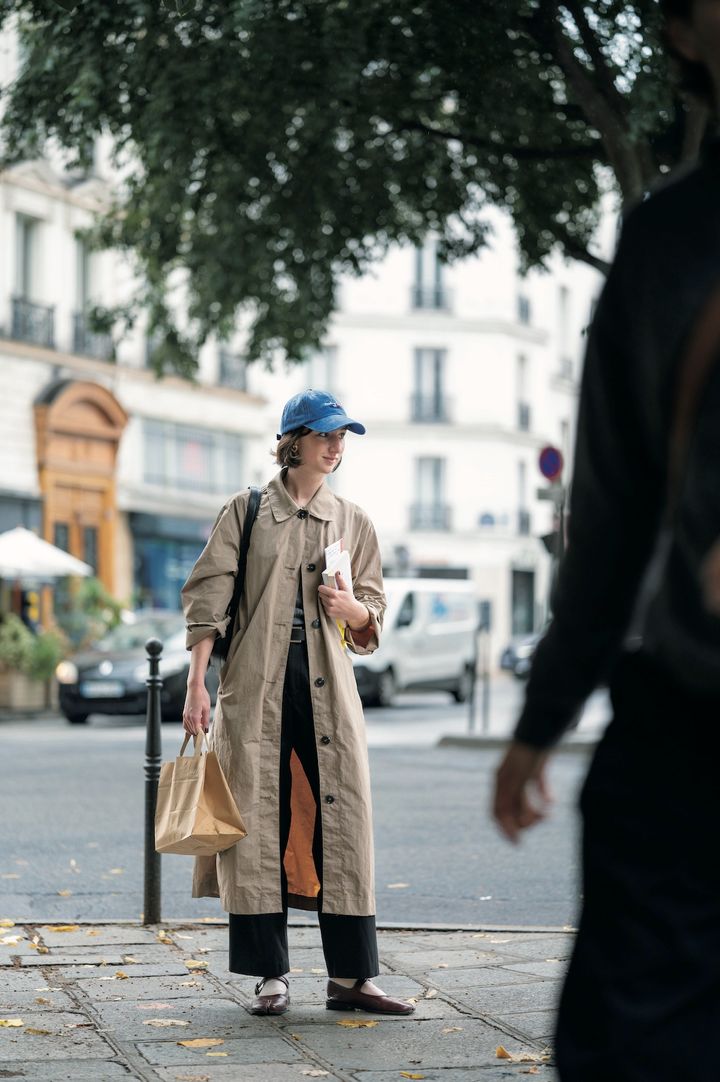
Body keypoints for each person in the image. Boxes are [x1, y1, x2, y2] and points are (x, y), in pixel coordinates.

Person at [493, 3, 720, 1079]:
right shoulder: (672, 240)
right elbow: (617, 510)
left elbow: (616, 516)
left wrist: (543, 718)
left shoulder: (678, 238)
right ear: (679, 29)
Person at [181, 389, 414, 1017]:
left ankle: (352, 980)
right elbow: (209, 600)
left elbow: (373, 618)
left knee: (344, 823)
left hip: (329, 691)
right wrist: (196, 683)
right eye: (326, 437)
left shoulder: (353, 520)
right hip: (255, 688)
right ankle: (269, 977)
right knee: (260, 822)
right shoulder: (248, 510)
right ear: (293, 442)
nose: (336, 449)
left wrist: (354, 611)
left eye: (343, 439)